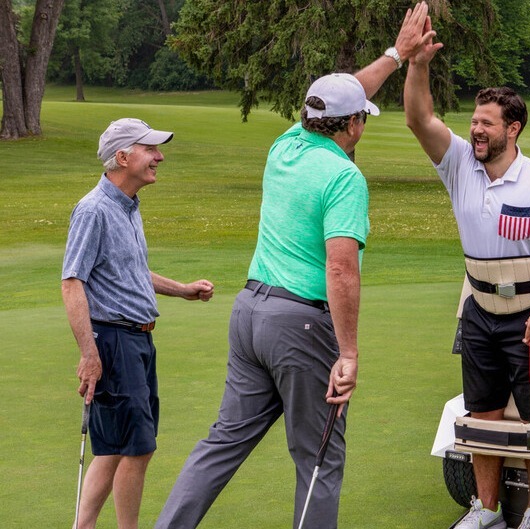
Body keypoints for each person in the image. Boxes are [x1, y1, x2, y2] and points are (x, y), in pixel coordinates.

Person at [154, 4, 436, 528]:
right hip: (302, 328)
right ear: (352, 125)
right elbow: (341, 270)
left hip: (249, 315)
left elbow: (349, 88)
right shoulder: (343, 176)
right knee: (319, 458)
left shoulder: (285, 145)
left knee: (223, 442)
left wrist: (398, 55)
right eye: (361, 118)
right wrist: (348, 352)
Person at [404, 27, 530, 529]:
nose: (476, 130)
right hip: (481, 310)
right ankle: (485, 509)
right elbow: (419, 119)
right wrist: (417, 64)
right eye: (474, 122)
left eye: (487, 123)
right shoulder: (460, 163)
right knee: (482, 412)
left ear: (514, 128)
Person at [62, 118, 215, 529]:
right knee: (138, 448)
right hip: (114, 340)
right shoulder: (94, 209)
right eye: (150, 150)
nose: (159, 157)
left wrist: (180, 289)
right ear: (123, 157)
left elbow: (130, 272)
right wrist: (89, 355)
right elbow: (72, 282)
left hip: (137, 340)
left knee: (114, 447)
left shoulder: (128, 207)